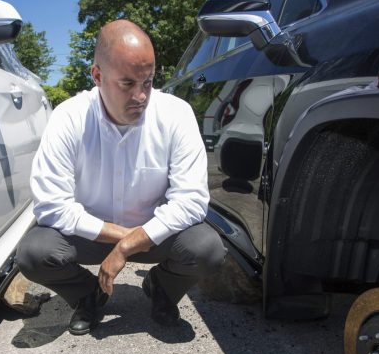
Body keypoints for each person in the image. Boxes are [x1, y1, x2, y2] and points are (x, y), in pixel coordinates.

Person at [16, 19, 226, 335]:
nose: (141, 96)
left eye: (148, 82)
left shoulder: (176, 114)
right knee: (34, 253)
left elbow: (192, 201)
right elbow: (50, 206)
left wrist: (130, 246)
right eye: (127, 84)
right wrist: (123, 237)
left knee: (207, 249)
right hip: (90, 235)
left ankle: (162, 288)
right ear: (98, 76)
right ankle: (89, 295)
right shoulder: (69, 118)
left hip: (154, 235)